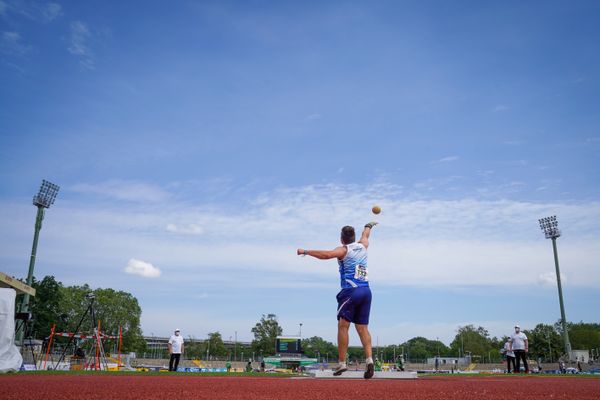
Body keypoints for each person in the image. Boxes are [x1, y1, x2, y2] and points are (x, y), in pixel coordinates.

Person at [297, 222, 377, 379]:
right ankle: (369, 360)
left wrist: (305, 251)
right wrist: (369, 226)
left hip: (351, 291)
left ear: (342, 239)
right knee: (362, 328)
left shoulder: (343, 250)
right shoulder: (363, 246)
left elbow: (326, 255)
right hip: (366, 291)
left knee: (343, 325)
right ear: (353, 238)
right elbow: (365, 236)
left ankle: (342, 363)